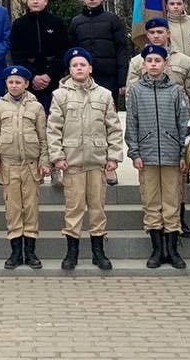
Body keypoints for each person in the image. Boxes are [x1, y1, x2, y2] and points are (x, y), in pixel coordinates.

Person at [124, 17, 190, 238]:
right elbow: (132, 102)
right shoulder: (137, 62)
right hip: (148, 139)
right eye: (152, 32)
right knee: (152, 194)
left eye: (160, 31)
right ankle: (158, 240)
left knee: (176, 189)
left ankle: (177, 225)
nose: (156, 35)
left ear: (168, 33)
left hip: (173, 136)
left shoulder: (184, 61)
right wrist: (135, 149)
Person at [47, 47, 123, 271]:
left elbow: (114, 128)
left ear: (90, 68)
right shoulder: (60, 95)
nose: (78, 68)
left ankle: (98, 252)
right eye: (74, 65)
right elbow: (53, 129)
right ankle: (72, 252)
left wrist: (114, 157)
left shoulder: (104, 95)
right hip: (72, 163)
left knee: (98, 208)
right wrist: (57, 157)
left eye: (82, 65)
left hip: (98, 161)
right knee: (74, 208)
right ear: (69, 69)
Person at [125, 43, 190, 270]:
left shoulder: (175, 91)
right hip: (147, 155)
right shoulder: (136, 91)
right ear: (143, 64)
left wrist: (184, 153)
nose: (153, 65)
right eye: (149, 61)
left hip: (172, 156)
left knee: (171, 201)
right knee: (151, 202)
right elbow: (131, 123)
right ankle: (156, 249)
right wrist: (134, 152)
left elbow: (184, 124)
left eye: (158, 61)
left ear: (166, 64)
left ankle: (172, 249)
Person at [0, 65, 49, 270]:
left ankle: (30, 251)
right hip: (9, 165)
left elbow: (43, 138)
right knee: (13, 209)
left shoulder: (36, 107)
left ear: (26, 84)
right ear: (6, 84)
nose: (14, 85)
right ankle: (15, 251)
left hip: (31, 166)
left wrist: (45, 161)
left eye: (18, 82)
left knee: (30, 208)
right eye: (11, 82)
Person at [66, 0, 130, 111]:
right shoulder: (76, 22)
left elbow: (122, 49)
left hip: (109, 77)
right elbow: (71, 51)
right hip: (83, 78)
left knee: (108, 115)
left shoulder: (113, 19)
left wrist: (122, 80)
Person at [9, 0, 67, 114]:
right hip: (28, 82)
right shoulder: (19, 25)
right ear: (27, 1)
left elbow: (63, 53)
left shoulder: (57, 23)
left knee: (52, 119)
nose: (35, 1)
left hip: (53, 82)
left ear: (45, 1)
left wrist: (50, 75)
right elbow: (16, 54)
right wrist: (32, 76)